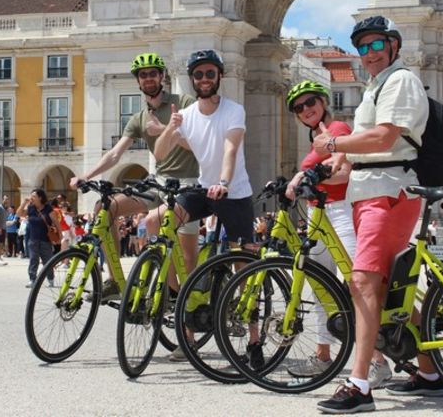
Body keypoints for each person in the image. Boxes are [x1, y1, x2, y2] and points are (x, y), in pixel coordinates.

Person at [311, 16, 434, 413]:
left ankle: (360, 383)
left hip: (389, 190)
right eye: (362, 48)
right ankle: (430, 373)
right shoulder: (375, 86)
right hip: (370, 190)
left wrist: (333, 143)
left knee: (362, 282)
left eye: (377, 44)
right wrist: (327, 165)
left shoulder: (399, 81)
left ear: (393, 45)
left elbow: (383, 138)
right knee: (385, 289)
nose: (370, 53)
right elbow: (362, 150)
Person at [70, 52, 200, 304]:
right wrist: (85, 176)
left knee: (188, 262)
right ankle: (115, 281)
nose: (148, 78)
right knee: (103, 207)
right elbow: (115, 154)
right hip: (158, 183)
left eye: (153, 73)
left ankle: (180, 301)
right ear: (138, 82)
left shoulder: (182, 102)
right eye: (143, 75)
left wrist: (164, 130)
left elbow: (197, 144)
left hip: (188, 184)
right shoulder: (139, 119)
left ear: (162, 76)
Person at [155, 48, 256, 361]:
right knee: (157, 222)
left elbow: (229, 149)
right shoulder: (185, 116)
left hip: (234, 191)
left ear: (219, 77)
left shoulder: (233, 110)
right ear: (192, 79)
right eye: (198, 74)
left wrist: (223, 183)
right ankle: (182, 309)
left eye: (210, 73)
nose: (204, 79)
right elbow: (160, 153)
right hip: (202, 189)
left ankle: (253, 340)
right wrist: (170, 128)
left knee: (245, 266)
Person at [281, 81, 377, 382]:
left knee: (357, 284)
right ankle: (323, 355)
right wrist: (297, 180)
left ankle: (378, 359)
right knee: (321, 286)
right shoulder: (315, 139)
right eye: (299, 107)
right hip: (316, 212)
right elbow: (313, 171)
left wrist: (312, 179)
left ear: (323, 102)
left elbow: (344, 173)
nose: (306, 109)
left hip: (341, 211)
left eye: (311, 102)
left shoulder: (336, 128)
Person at [22, 189, 56, 288]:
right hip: (33, 239)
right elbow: (19, 214)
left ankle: (50, 279)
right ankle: (32, 279)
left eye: (34, 196)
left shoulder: (48, 208)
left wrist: (60, 236)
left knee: (47, 261)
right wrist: (24, 202)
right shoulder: (31, 208)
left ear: (40, 197)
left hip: (45, 239)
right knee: (33, 260)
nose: (31, 198)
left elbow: (56, 222)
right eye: (31, 196)